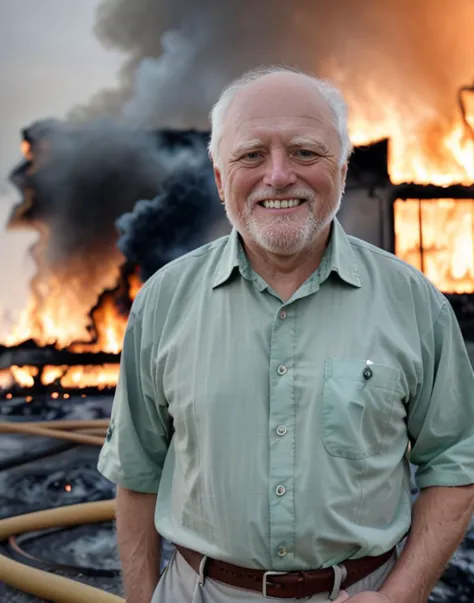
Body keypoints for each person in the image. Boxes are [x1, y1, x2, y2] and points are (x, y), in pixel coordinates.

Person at [97, 66, 474, 603]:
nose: (278, 176)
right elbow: (136, 473)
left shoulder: (416, 305)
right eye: (251, 155)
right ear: (220, 176)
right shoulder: (162, 303)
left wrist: (401, 595)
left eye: (305, 153)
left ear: (342, 168)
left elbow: (457, 461)